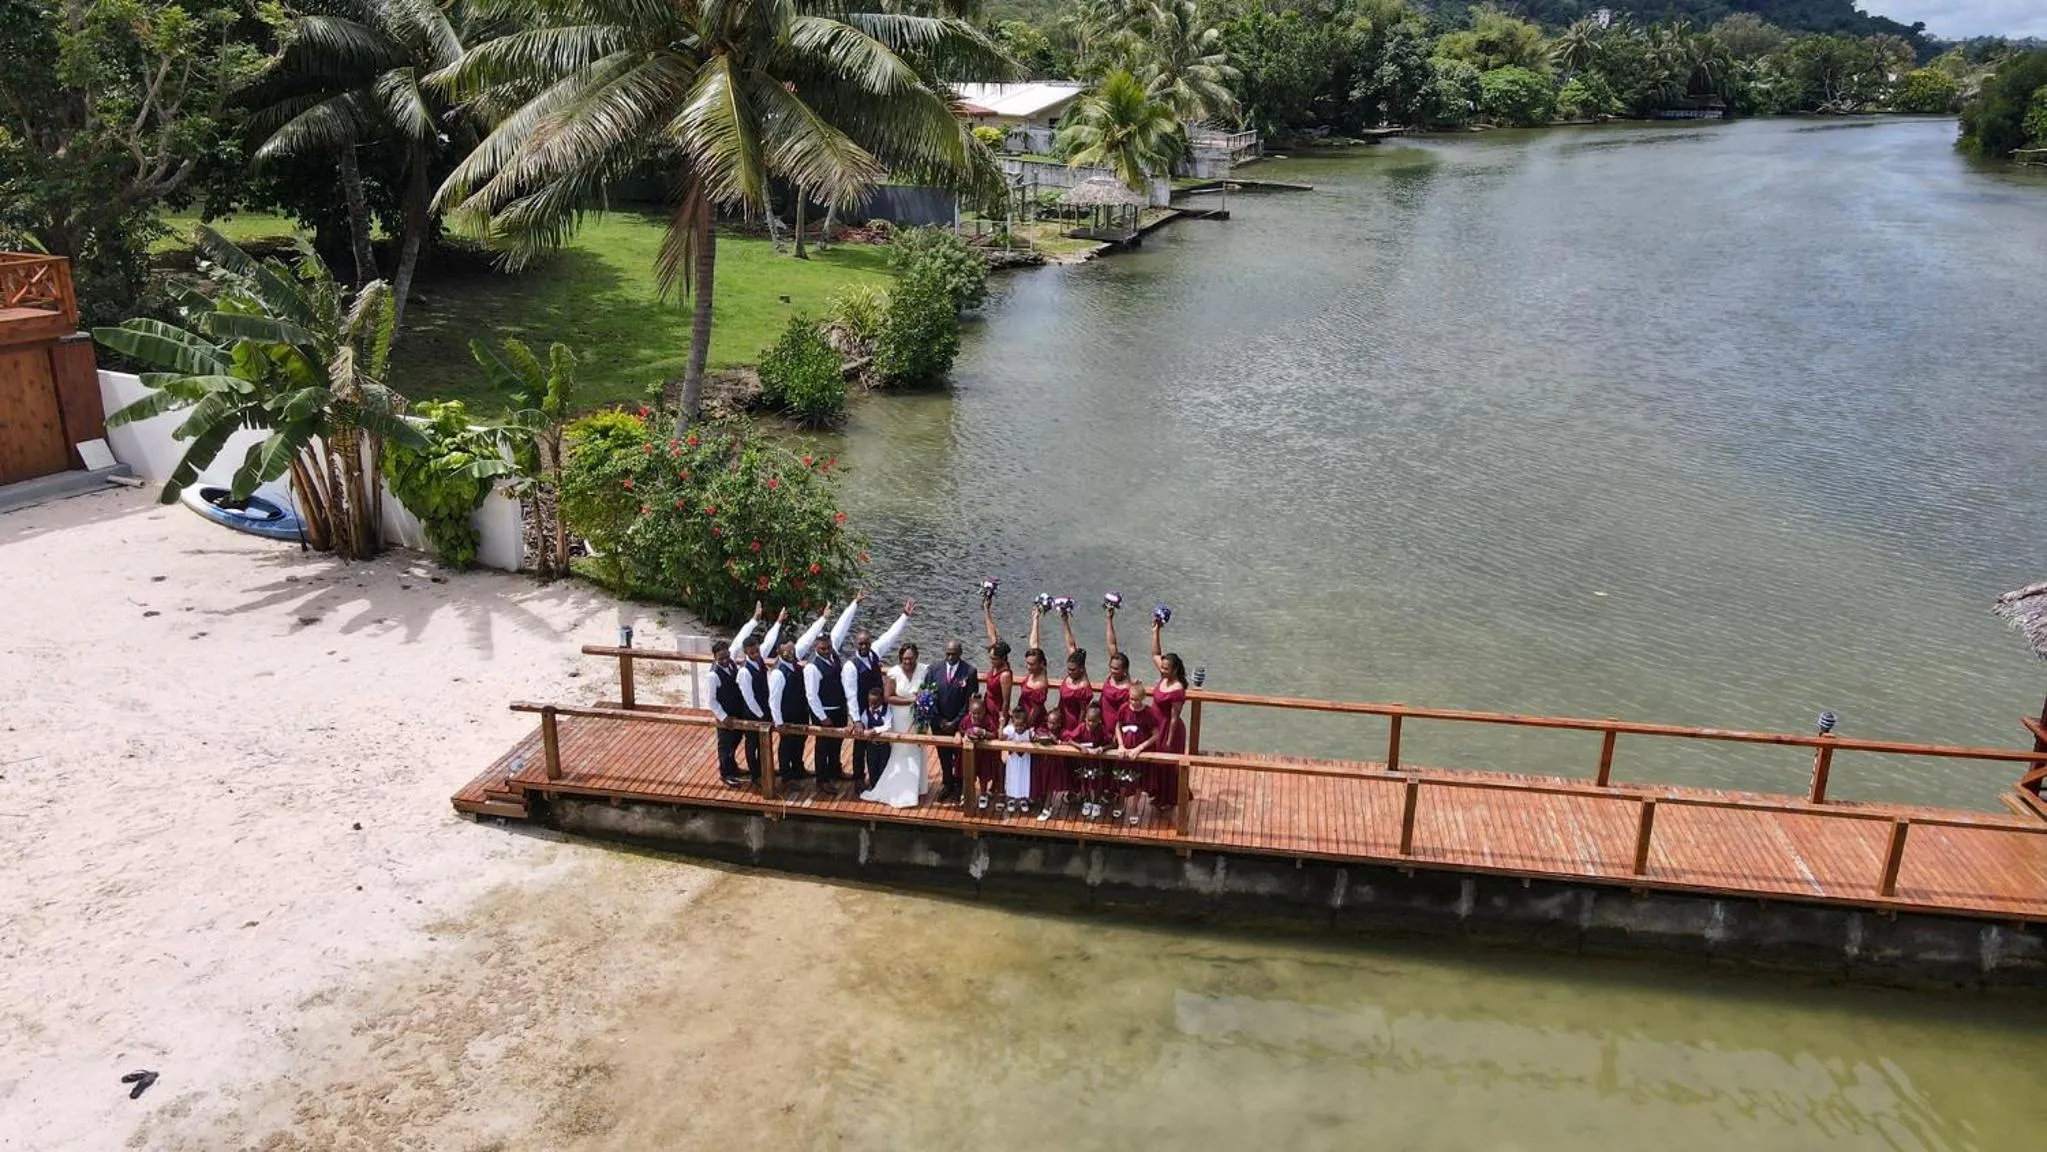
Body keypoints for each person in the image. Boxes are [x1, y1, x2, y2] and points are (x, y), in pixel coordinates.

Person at [842, 596, 913, 798]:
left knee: (880, 741)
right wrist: (856, 719)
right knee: (859, 745)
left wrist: (904, 617)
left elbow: (889, 637)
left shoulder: (874, 653)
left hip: (879, 705)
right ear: (855, 644)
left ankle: (879, 776)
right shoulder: (850, 666)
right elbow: (851, 694)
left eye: (867, 643)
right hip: (862, 710)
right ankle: (858, 778)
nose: (864, 647)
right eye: (861, 644)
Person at [767, 603, 840, 785]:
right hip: (787, 714)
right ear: (779, 652)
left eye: (792, 650)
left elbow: (808, 639)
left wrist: (823, 619)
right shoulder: (777, 672)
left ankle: (798, 769)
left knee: (800, 742)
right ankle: (787, 775)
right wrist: (779, 722)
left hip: (800, 711)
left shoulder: (795, 660)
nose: (791, 654)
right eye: (787, 652)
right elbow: (773, 700)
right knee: (787, 745)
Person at [861, 643, 931, 808]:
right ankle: (900, 788)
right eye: (905, 658)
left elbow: (928, 691)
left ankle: (918, 787)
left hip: (918, 717)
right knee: (901, 750)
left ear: (916, 657)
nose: (908, 662)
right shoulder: (893, 673)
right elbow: (888, 697)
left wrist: (923, 702)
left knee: (917, 749)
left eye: (911, 658)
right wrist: (911, 700)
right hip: (899, 717)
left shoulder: (924, 670)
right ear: (901, 658)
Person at [734, 602, 784, 785]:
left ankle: (765, 769)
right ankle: (755, 775)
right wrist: (761, 715)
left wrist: (778, 622)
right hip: (753, 712)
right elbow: (748, 698)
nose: (756, 653)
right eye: (752, 652)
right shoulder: (745, 672)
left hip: (764, 708)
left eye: (757, 650)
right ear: (746, 652)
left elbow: (769, 641)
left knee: (765, 742)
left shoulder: (760, 659)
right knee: (752, 744)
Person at [927, 638, 978, 803]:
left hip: (959, 723)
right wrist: (940, 719)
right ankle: (947, 783)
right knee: (943, 755)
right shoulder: (934, 669)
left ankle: (959, 786)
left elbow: (969, 702)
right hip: (939, 722)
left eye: (953, 654)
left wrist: (955, 722)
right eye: (947, 654)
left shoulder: (969, 672)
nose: (950, 657)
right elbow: (928, 696)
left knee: (959, 756)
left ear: (960, 653)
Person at [1149, 613, 1190, 813]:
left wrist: (1169, 740)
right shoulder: (1164, 677)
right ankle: (1158, 795)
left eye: (1166, 668)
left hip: (1169, 728)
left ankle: (1171, 798)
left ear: (1174, 670)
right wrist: (1156, 631)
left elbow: (1174, 718)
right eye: (1162, 668)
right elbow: (1156, 654)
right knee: (1157, 763)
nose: (1162, 670)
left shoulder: (1177, 689)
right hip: (1156, 724)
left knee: (1167, 763)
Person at [704, 638, 754, 786]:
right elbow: (711, 700)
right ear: (715, 658)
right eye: (721, 658)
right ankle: (726, 774)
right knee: (725, 745)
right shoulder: (713, 675)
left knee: (736, 741)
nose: (725, 660)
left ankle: (733, 768)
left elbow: (739, 639)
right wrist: (723, 717)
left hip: (737, 710)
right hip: (726, 715)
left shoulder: (732, 664)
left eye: (726, 656)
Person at [1113, 682, 1158, 824]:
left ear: (1143, 698)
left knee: (1138, 781)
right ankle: (1121, 803)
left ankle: (1134, 807)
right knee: (1122, 778)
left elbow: (1155, 734)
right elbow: (1118, 726)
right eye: (1131, 699)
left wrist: (1139, 749)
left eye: (1136, 699)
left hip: (1139, 752)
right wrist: (1120, 745)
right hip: (1125, 750)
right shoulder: (1123, 709)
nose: (1133, 702)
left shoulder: (1149, 713)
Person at [1062, 701, 1110, 820]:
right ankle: (1087, 800)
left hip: (1097, 760)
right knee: (1084, 778)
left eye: (1094, 721)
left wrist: (1101, 749)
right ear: (1085, 719)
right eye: (1089, 720)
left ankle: (1096, 802)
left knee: (1098, 780)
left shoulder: (1102, 729)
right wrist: (1080, 747)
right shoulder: (1082, 727)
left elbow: (1112, 743)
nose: (1091, 723)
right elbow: (1070, 739)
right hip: (1085, 760)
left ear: (1099, 720)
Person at [852, 685, 893, 795]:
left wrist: (875, 730)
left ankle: (884, 787)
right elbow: (863, 724)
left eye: (875, 703)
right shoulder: (866, 712)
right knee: (872, 766)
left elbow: (888, 726)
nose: (872, 706)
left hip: (884, 745)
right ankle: (874, 786)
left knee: (883, 766)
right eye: (870, 703)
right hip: (871, 745)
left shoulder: (887, 710)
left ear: (881, 700)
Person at [1101, 601, 1134, 735]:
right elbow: (1112, 644)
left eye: (1116, 669)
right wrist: (1109, 619)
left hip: (1117, 729)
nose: (1113, 671)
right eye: (1111, 668)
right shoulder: (1112, 676)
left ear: (1125, 669)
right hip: (1101, 724)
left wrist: (1119, 733)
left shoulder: (1128, 687)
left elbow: (1129, 714)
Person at [981, 596, 1015, 724]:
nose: (991, 661)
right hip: (987, 704)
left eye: (994, 659)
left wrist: (1004, 717)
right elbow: (991, 634)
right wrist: (986, 610)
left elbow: (1006, 700)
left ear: (1002, 659)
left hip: (997, 710)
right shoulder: (996, 658)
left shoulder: (1005, 675)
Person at [999, 703, 1036, 818]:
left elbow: (1034, 739)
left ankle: (1023, 798)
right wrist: (1001, 724)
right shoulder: (1010, 730)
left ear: (1025, 723)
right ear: (1013, 723)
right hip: (1013, 760)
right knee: (1012, 777)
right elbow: (1001, 737)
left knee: (1023, 778)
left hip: (1024, 760)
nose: (1019, 728)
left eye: (1021, 725)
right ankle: (1011, 798)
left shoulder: (1028, 732)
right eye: (1017, 726)